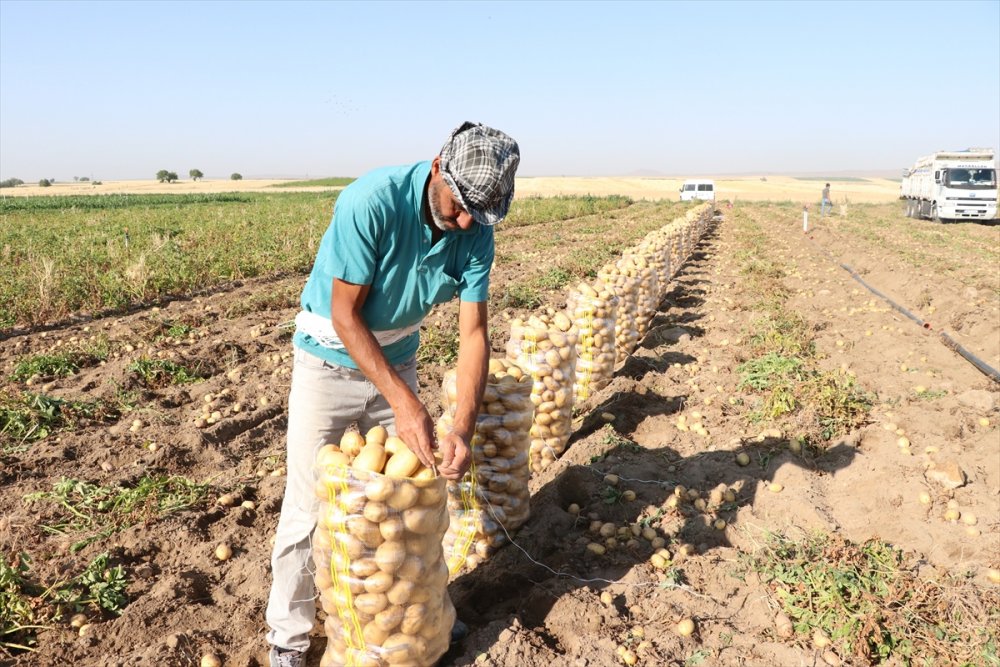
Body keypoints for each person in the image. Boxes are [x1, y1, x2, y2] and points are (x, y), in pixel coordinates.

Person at [264, 121, 520, 667]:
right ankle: (287, 639)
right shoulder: (371, 202)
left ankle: (418, 621)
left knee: (409, 499)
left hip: (398, 352)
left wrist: (461, 428)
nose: (469, 220)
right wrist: (407, 403)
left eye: (483, 212)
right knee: (310, 505)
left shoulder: (476, 229)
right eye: (462, 205)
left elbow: (474, 335)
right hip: (328, 354)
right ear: (437, 168)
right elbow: (345, 315)